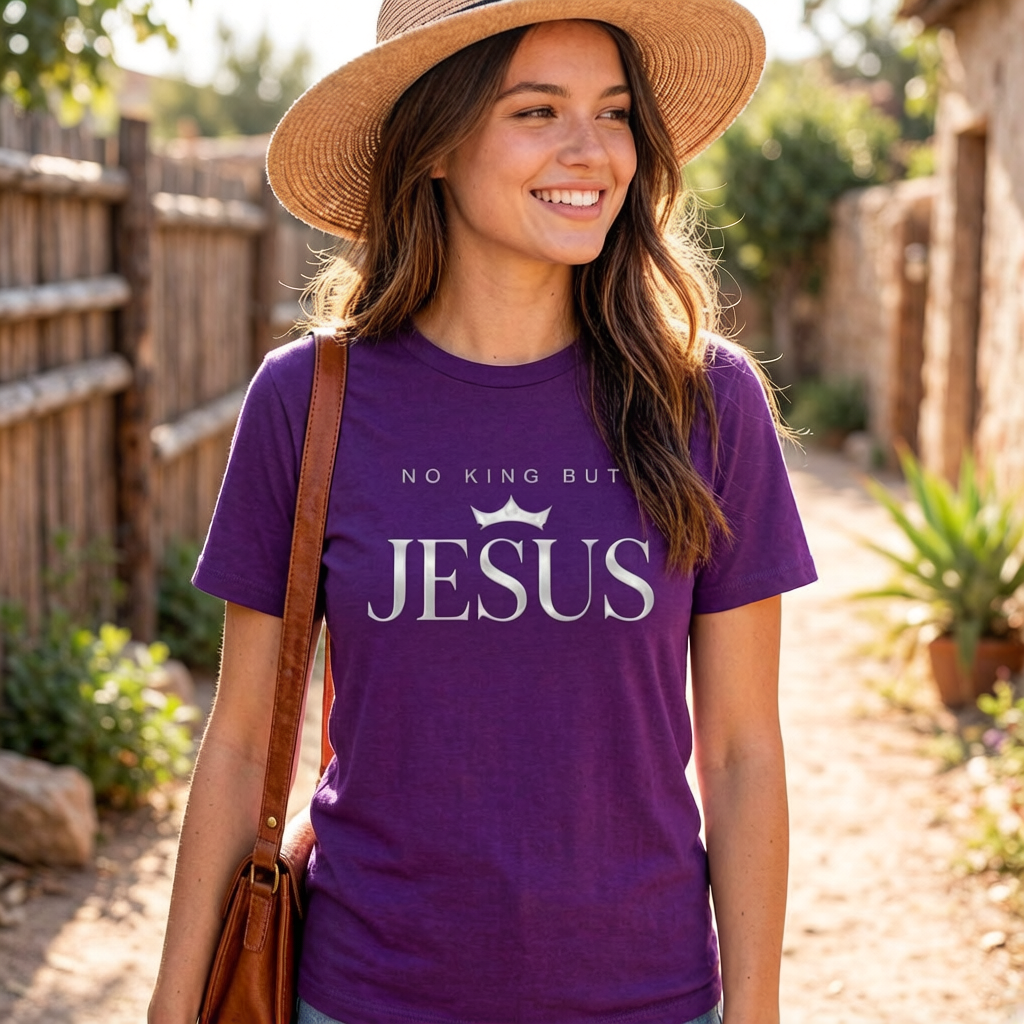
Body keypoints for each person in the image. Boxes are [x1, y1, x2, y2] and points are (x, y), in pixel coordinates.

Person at [149, 2, 817, 1024]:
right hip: (366, 995)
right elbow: (241, 741)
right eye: (537, 111)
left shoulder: (706, 401)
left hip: (644, 997)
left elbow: (741, 752)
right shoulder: (309, 402)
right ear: (433, 145)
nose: (591, 152)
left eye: (613, 112)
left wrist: (757, 1011)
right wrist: (171, 1005)